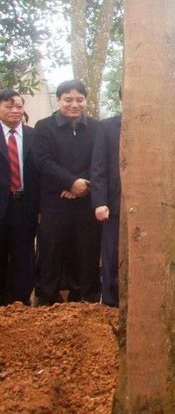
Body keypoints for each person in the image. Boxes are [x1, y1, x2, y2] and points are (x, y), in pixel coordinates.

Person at [34, 80, 101, 305]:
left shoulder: (96, 127)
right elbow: (43, 161)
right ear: (59, 100)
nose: (74, 104)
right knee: (51, 251)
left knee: (86, 251)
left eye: (79, 100)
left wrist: (84, 185)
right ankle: (47, 299)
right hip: (55, 202)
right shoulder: (44, 127)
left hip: (86, 201)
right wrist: (71, 182)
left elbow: (99, 162)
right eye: (68, 100)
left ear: (86, 101)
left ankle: (85, 298)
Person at [0, 89, 40, 305]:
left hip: (25, 205)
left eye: (19, 106)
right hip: (2, 203)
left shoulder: (35, 136)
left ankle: (20, 303)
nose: (15, 111)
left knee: (23, 255)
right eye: (9, 106)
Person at [90, 109, 121, 307]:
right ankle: (110, 303)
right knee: (111, 255)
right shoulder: (107, 126)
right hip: (114, 205)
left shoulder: (155, 125)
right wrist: (100, 201)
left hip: (146, 208)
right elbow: (98, 167)